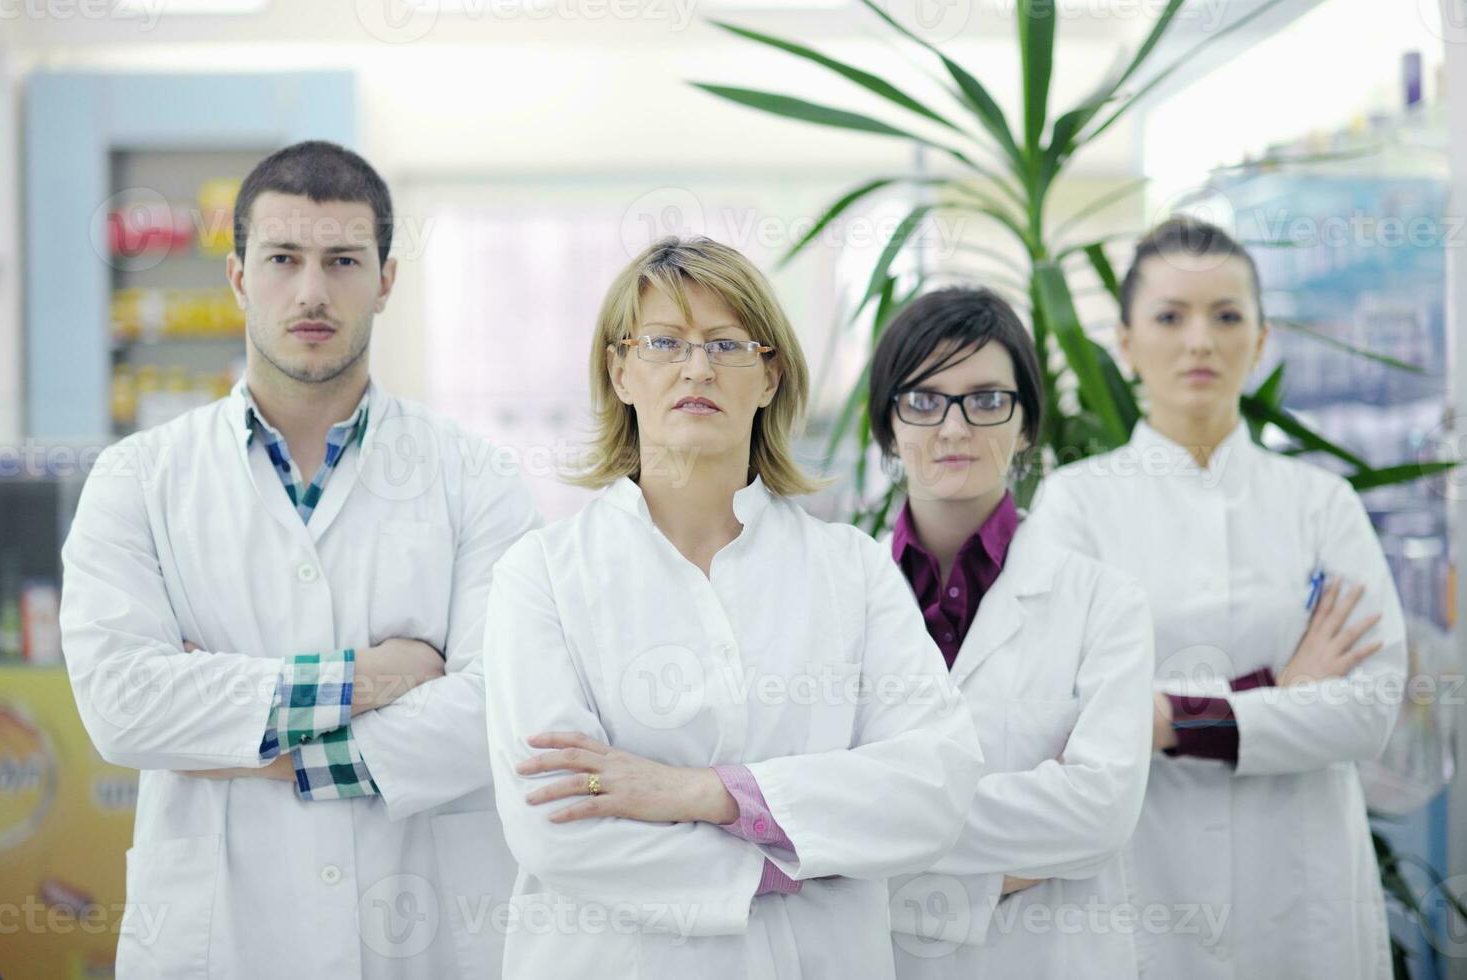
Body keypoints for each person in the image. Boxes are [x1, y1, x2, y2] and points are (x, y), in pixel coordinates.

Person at [59, 140, 540, 978]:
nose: (312, 291)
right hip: (219, 940)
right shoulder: (137, 478)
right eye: (283, 258)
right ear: (240, 278)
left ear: (386, 280)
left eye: (343, 260)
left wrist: (238, 740)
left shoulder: (479, 479)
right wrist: (378, 677)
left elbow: (498, 714)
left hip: (419, 937)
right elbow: (122, 704)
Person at [480, 236, 985, 979]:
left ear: (770, 375)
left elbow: (935, 789)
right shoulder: (542, 575)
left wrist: (705, 794)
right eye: (663, 342)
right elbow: (556, 825)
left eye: (727, 343)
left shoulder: (851, 570)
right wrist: (803, 855)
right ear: (619, 371)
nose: (697, 367)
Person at [1028, 216, 1405, 979]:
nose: (1199, 340)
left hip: (1299, 893)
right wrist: (1276, 691)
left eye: (1226, 316)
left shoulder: (1322, 504)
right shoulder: (1075, 504)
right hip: (1142, 890)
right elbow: (1060, 712)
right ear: (1127, 344)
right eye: (1170, 317)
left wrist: (1168, 718)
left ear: (1261, 340)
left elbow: (1368, 709)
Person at [867, 287, 1153, 978]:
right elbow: (807, 814)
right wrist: (1009, 861)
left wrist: (877, 827)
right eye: (924, 399)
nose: (955, 428)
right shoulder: (836, 600)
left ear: (1026, 425)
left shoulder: (1104, 603)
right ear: (888, 424)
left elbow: (1100, 813)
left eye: (987, 399)